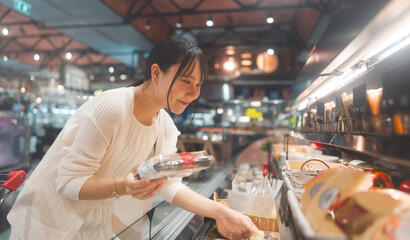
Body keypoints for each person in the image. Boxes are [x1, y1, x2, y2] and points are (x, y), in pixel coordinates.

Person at [7, 35, 258, 240]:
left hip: (96, 225)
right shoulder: (112, 108)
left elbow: (169, 184)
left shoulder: (165, 126)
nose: (194, 93)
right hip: (50, 222)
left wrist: (222, 213)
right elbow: (68, 182)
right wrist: (123, 186)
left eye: (199, 84)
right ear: (157, 73)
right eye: (186, 81)